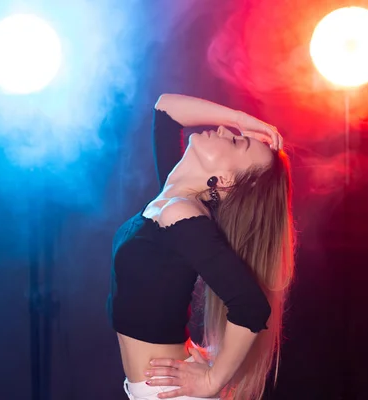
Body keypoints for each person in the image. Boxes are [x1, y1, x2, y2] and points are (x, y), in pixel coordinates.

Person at [106, 93, 295, 400]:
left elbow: (251, 307)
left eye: (235, 143)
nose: (222, 131)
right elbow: (165, 109)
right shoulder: (170, 198)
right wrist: (240, 119)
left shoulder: (180, 212)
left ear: (223, 180)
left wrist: (211, 381)